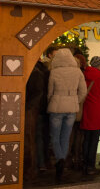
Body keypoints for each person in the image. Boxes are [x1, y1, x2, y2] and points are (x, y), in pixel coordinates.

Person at [47, 48, 87, 182]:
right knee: (65, 136)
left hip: (56, 106)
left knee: (54, 136)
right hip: (71, 107)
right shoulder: (78, 72)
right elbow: (83, 91)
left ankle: (60, 160)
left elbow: (50, 92)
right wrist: (76, 100)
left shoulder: (54, 71)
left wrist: (51, 101)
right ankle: (62, 159)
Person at [24, 45, 57, 179]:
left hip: (35, 110)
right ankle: (43, 163)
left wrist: (28, 107)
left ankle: (34, 167)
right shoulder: (43, 70)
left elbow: (38, 93)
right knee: (41, 137)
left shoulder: (36, 71)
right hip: (44, 109)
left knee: (34, 138)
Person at [80, 56, 100, 176]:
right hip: (97, 113)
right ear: (99, 65)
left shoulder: (83, 75)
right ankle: (91, 166)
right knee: (94, 141)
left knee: (86, 140)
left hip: (86, 111)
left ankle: (84, 165)